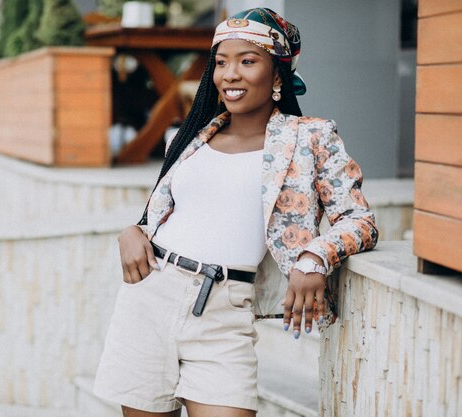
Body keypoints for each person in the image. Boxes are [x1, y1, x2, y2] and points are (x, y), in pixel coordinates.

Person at [94, 7, 378, 417]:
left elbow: (360, 220)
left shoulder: (311, 138)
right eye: (222, 62)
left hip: (225, 312)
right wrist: (133, 231)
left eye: (248, 61)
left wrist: (315, 257)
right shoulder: (193, 135)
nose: (230, 74)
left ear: (277, 74)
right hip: (151, 297)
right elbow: (168, 212)